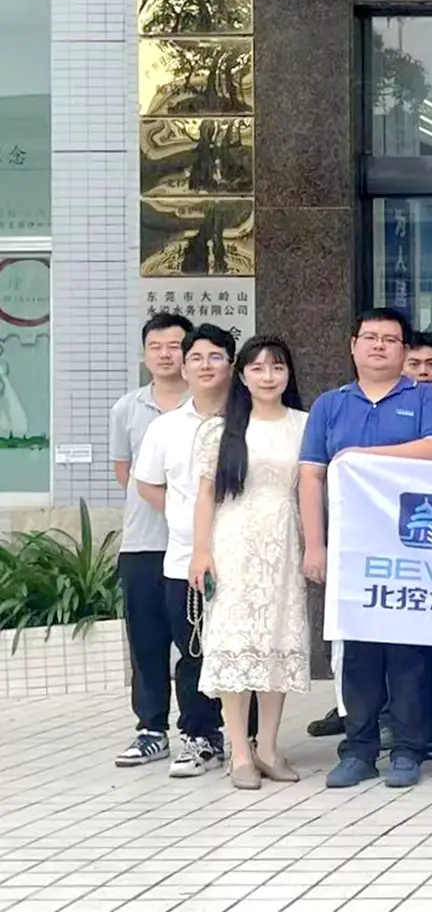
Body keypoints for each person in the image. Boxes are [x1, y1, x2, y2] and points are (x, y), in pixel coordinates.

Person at [301, 307, 432, 790]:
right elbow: (311, 475)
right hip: (351, 549)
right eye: (370, 337)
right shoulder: (330, 405)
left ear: (405, 351)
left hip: (411, 549)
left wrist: (362, 456)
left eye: (390, 340)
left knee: (409, 653)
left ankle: (408, 749)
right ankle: (359, 749)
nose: (379, 346)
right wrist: (315, 545)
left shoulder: (425, 397)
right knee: (357, 653)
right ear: (353, 346)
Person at [184, 335, 310, 790]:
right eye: (257, 368)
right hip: (233, 544)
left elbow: (312, 487)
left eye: (277, 367)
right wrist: (201, 551)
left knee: (278, 640)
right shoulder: (220, 430)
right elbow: (205, 495)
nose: (268, 377)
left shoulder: (305, 425)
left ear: (289, 374)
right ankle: (240, 751)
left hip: (284, 542)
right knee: (235, 642)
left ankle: (269, 747)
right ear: (242, 376)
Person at [130, 321, 234, 778]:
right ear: (185, 367)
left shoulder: (249, 420)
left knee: (243, 647)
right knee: (193, 651)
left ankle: (246, 736)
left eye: (215, 357)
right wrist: (185, 517)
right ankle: (200, 737)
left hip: (243, 556)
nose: (205, 365)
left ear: (232, 365)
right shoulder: (166, 427)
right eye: (196, 357)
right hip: (184, 559)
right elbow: (147, 483)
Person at [110, 312, 194, 768]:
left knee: (194, 642)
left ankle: (202, 730)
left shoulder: (207, 404)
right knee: (146, 642)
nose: (165, 355)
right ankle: (151, 729)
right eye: (155, 347)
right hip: (143, 543)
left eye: (175, 346)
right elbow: (127, 473)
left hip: (194, 546)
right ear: (144, 354)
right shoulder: (126, 408)